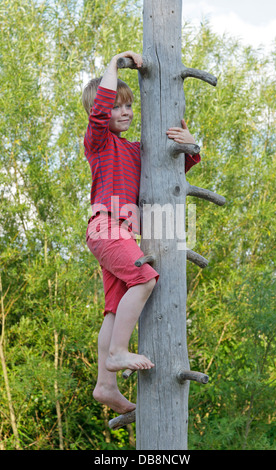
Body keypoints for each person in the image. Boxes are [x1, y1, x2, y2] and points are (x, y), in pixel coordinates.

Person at [82, 51, 201, 414]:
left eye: (129, 105)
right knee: (146, 280)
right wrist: (114, 64)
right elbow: (100, 110)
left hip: (120, 234)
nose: (126, 112)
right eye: (118, 107)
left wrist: (191, 144)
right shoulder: (98, 143)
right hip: (106, 227)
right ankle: (118, 352)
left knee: (114, 312)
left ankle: (106, 385)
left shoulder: (135, 151)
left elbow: (176, 171)